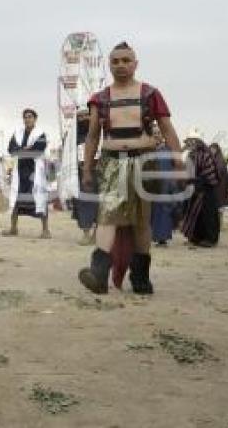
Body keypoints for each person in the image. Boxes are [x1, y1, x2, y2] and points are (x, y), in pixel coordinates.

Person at [78, 41, 182, 295]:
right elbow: (92, 137)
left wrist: (178, 162)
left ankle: (141, 279)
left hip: (144, 161)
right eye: (115, 61)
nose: (121, 65)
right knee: (107, 215)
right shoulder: (100, 99)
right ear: (109, 65)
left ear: (135, 64)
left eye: (126, 60)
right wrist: (88, 170)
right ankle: (99, 274)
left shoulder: (150, 94)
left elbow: (167, 130)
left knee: (141, 221)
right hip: (112, 162)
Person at [3, 109, 50, 238]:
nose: (27, 119)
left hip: (35, 172)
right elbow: (11, 149)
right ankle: (13, 228)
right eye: (25, 117)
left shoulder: (40, 134)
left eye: (30, 117)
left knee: (40, 199)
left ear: (35, 119)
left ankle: (45, 230)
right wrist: (25, 149)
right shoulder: (17, 133)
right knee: (15, 199)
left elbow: (38, 150)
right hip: (20, 172)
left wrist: (22, 150)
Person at [180, 133, 222, 248]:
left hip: (206, 191)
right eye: (188, 142)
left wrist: (198, 181)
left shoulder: (205, 155)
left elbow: (210, 174)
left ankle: (210, 239)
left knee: (207, 216)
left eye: (192, 141)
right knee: (194, 215)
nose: (190, 144)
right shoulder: (190, 155)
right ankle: (195, 238)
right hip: (194, 189)